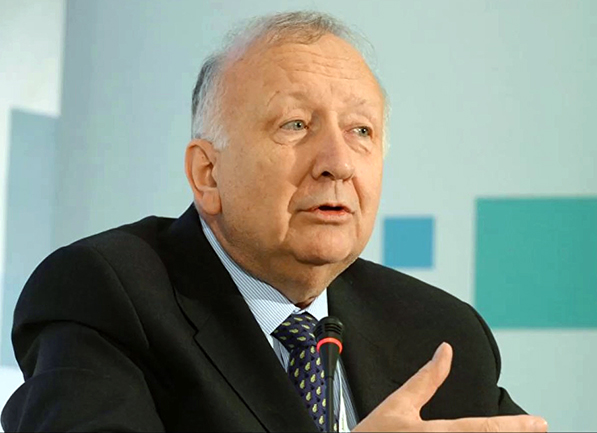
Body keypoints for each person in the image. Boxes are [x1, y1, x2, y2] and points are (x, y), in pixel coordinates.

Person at [1, 11, 547, 432]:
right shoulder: (106, 297)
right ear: (208, 173)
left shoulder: (439, 333)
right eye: (295, 124)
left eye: (361, 131)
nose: (337, 162)